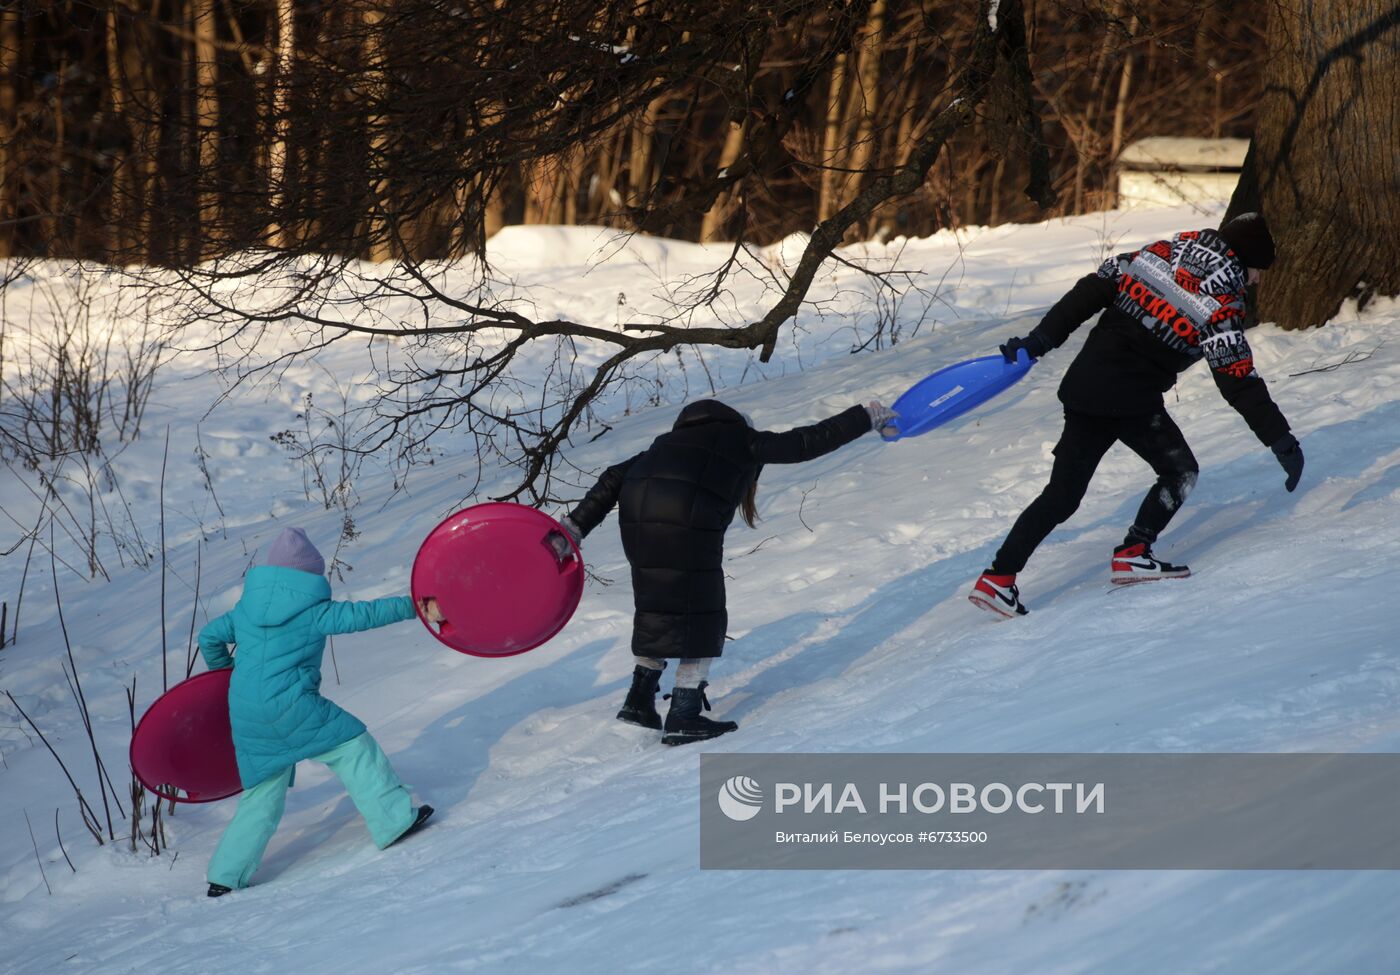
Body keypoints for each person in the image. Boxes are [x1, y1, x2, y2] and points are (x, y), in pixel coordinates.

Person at [969, 212, 1304, 619]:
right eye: (1256, 271)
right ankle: (1134, 551)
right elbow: (1237, 380)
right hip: (1130, 401)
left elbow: (1090, 291)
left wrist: (1041, 340)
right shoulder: (1221, 304)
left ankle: (998, 578)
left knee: (1062, 495)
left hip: (1085, 386)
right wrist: (1280, 439)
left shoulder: (1157, 254)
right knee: (1180, 471)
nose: (1256, 280)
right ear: (1243, 261)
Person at [556, 399, 896, 744]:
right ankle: (684, 714)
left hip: (639, 527)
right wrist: (865, 417)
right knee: (702, 613)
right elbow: (803, 443)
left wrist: (574, 529)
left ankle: (639, 701)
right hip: (688, 524)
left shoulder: (664, 444)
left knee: (656, 605)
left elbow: (614, 475)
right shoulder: (739, 439)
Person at [198, 527, 442, 896]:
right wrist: (416, 607)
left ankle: (225, 875)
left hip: (246, 712)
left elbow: (208, 637)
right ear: (309, 577)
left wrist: (224, 673)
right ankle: (393, 821)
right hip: (294, 705)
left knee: (262, 791)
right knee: (353, 746)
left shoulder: (244, 611)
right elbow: (365, 615)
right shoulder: (312, 611)